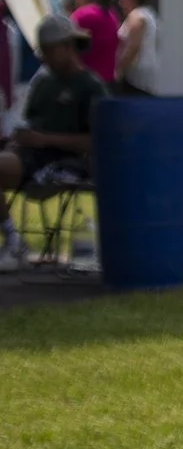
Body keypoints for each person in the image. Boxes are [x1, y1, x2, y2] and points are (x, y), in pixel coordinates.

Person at [0, 15, 106, 267]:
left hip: (63, 160)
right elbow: (30, 123)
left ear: (68, 46)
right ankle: (13, 238)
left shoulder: (90, 87)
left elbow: (97, 141)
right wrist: (20, 138)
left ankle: (14, 240)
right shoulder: (44, 82)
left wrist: (45, 139)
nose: (44, 58)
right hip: (30, 153)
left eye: (49, 51)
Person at [69, 0, 119, 87]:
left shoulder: (83, 14)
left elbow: (65, 44)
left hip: (85, 82)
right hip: (108, 80)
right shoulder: (112, 16)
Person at [114, 0, 159, 96]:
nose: (120, 2)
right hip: (148, 69)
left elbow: (133, 47)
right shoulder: (149, 14)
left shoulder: (137, 16)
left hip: (136, 74)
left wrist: (119, 68)